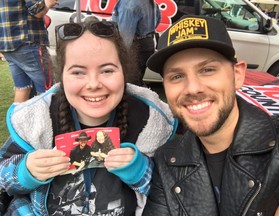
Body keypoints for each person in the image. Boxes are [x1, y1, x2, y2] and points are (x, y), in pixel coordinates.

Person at [0, 17, 177, 215]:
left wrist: (141, 171)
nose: (93, 84)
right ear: (62, 77)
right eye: (78, 72)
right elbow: (3, 176)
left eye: (107, 70)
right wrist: (25, 172)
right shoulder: (37, 121)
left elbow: (175, 191)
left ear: (124, 73)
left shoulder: (149, 122)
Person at [143, 15, 279, 215]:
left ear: (238, 75)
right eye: (177, 76)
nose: (192, 88)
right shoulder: (167, 160)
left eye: (207, 69)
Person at [0, 0, 55, 103]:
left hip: (9, 46)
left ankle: (19, 119)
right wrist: (48, 3)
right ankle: (49, 119)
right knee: (48, 89)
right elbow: (37, 11)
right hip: (27, 43)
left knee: (23, 88)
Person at [112, 0, 161, 86]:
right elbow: (157, 20)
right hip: (147, 44)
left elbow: (125, 36)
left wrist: (119, 55)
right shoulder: (149, 2)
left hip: (135, 47)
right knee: (136, 82)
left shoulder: (129, 3)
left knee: (130, 84)